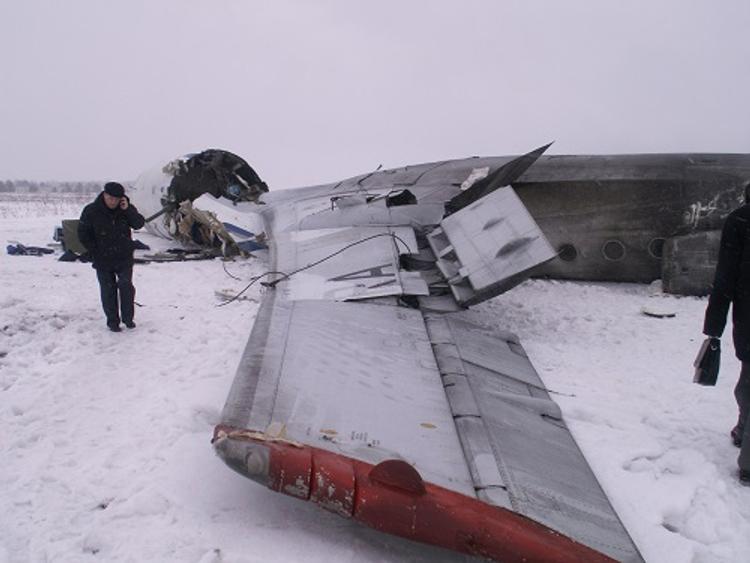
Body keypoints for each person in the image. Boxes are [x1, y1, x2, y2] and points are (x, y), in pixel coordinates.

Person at [703, 184, 750, 483]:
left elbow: (725, 278)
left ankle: (745, 440)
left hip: (748, 317)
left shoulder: (740, 221)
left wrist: (714, 328)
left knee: (748, 379)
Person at [78, 182, 145, 332]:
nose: (112, 202)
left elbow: (139, 224)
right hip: (103, 258)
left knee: (126, 286)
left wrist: (128, 210)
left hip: (124, 256)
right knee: (108, 290)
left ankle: (128, 319)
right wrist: (94, 251)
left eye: (116, 199)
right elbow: (83, 233)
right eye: (110, 198)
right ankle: (113, 321)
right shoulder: (91, 210)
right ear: (104, 195)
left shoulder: (125, 209)